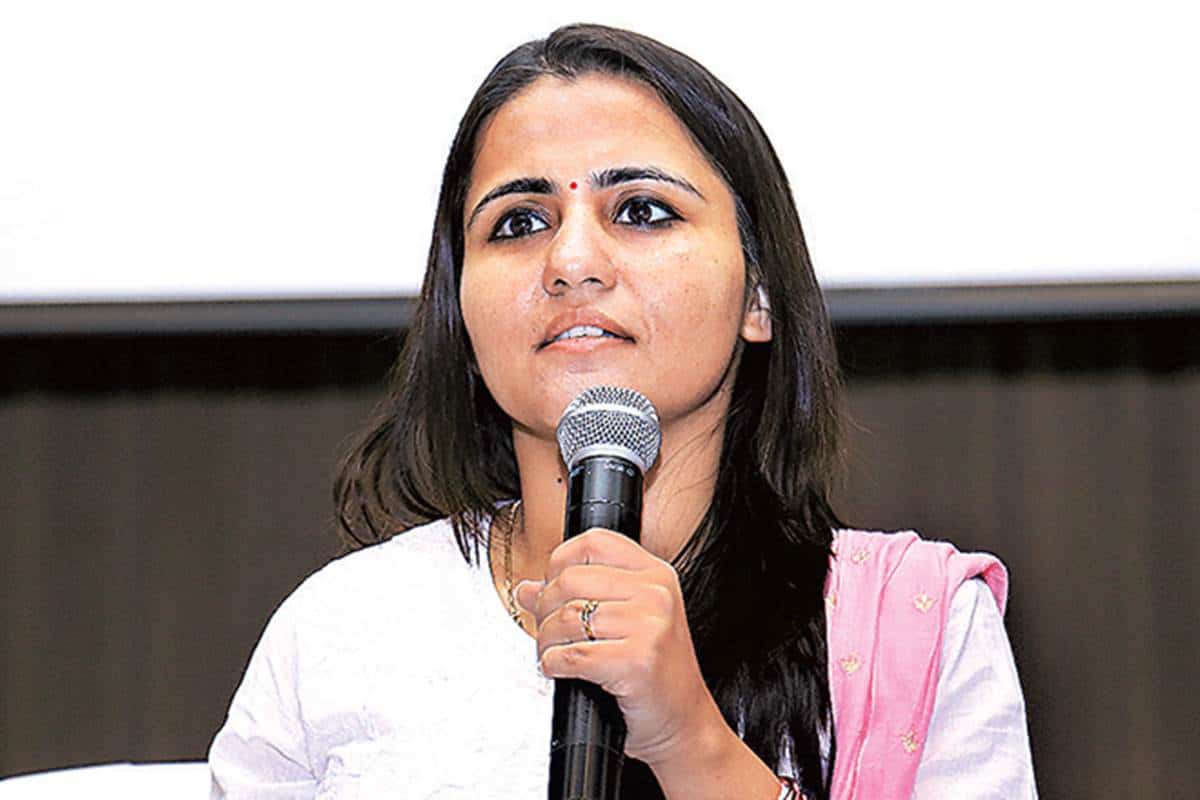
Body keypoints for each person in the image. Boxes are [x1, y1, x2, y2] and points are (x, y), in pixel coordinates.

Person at [207, 23, 1037, 800]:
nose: (571, 261)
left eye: (641, 210)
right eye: (519, 222)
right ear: (461, 316)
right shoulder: (342, 630)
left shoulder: (915, 630)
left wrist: (690, 740)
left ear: (759, 294)